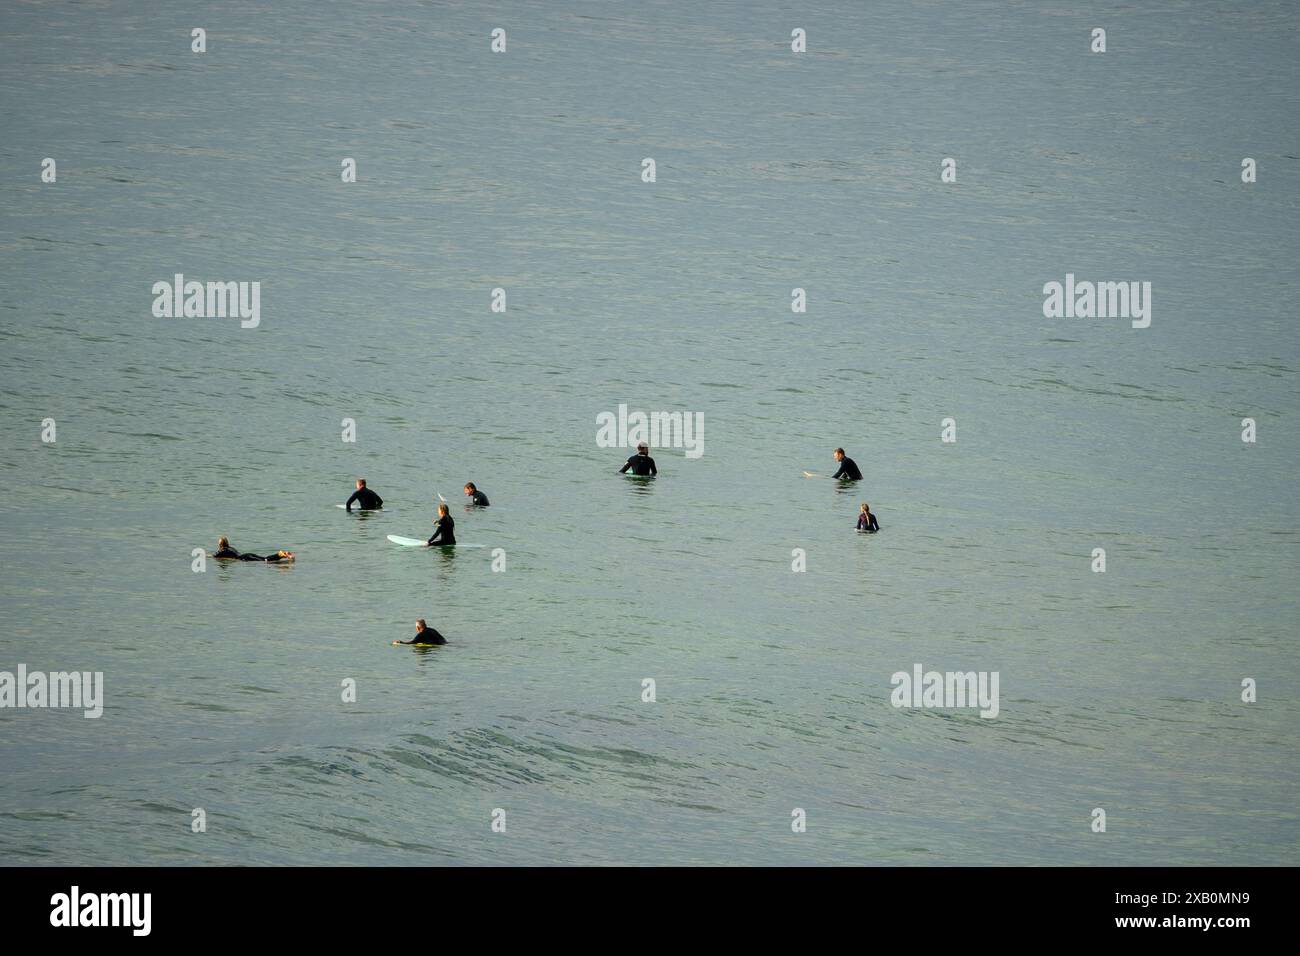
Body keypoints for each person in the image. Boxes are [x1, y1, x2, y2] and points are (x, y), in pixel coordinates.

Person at [212, 536, 294, 562]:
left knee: (265, 561)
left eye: (219, 544)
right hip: (247, 554)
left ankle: (280, 554)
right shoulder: (231, 548)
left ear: (221, 545)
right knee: (264, 558)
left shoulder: (223, 551)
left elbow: (214, 556)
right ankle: (281, 554)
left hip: (245, 558)